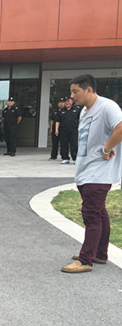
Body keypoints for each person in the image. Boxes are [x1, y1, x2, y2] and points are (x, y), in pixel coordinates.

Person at [61, 74, 122, 273]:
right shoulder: (85, 111)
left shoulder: (107, 107)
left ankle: (86, 260)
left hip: (99, 172)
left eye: (75, 91)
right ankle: (100, 254)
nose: (72, 96)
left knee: (91, 215)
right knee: (99, 212)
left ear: (89, 89)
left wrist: (106, 149)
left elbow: (120, 127)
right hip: (86, 170)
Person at [57, 96, 81, 164]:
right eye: (66, 101)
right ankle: (65, 158)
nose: (67, 103)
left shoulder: (77, 109)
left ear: (72, 102)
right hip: (63, 130)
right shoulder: (61, 111)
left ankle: (75, 158)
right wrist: (56, 129)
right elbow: (58, 121)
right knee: (64, 144)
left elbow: (80, 119)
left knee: (74, 144)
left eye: (69, 101)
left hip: (74, 130)